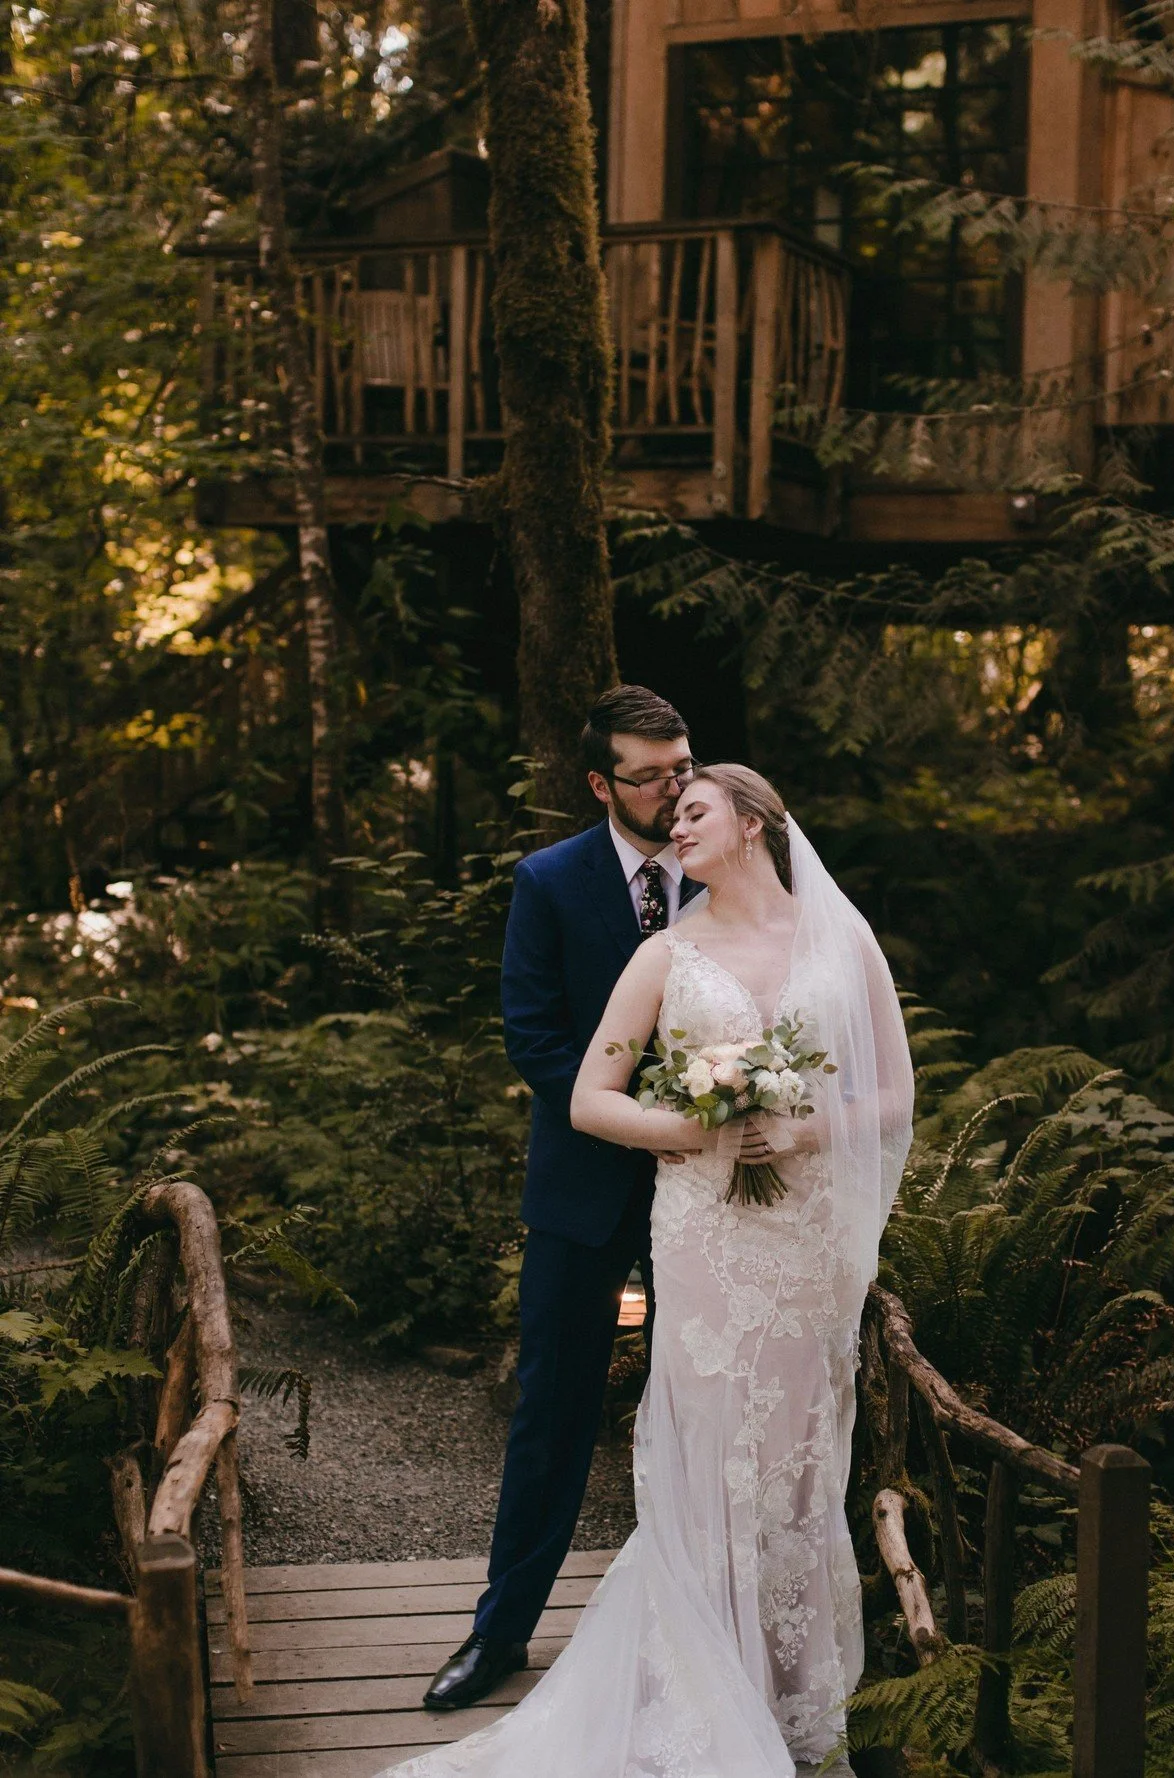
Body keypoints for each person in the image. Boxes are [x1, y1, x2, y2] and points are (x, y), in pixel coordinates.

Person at [389, 763, 914, 1778]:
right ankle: (697, 1689)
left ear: (755, 821)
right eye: (670, 814)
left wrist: (805, 1133)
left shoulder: (839, 939)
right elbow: (590, 1096)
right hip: (708, 1234)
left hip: (806, 1240)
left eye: (694, 810)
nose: (675, 826)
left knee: (800, 1459)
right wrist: (694, 1125)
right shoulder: (664, 954)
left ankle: (793, 1693)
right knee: (710, 1444)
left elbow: (893, 1093)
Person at [422, 685, 700, 1713]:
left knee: (705, 1411)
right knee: (553, 1412)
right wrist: (648, 1112)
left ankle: (705, 1635)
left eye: (682, 767)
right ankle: (499, 1634)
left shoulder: (732, 871)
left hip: (716, 1194)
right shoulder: (548, 880)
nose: (675, 789)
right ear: (600, 782)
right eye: (650, 774)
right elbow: (533, 1036)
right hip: (583, 1188)